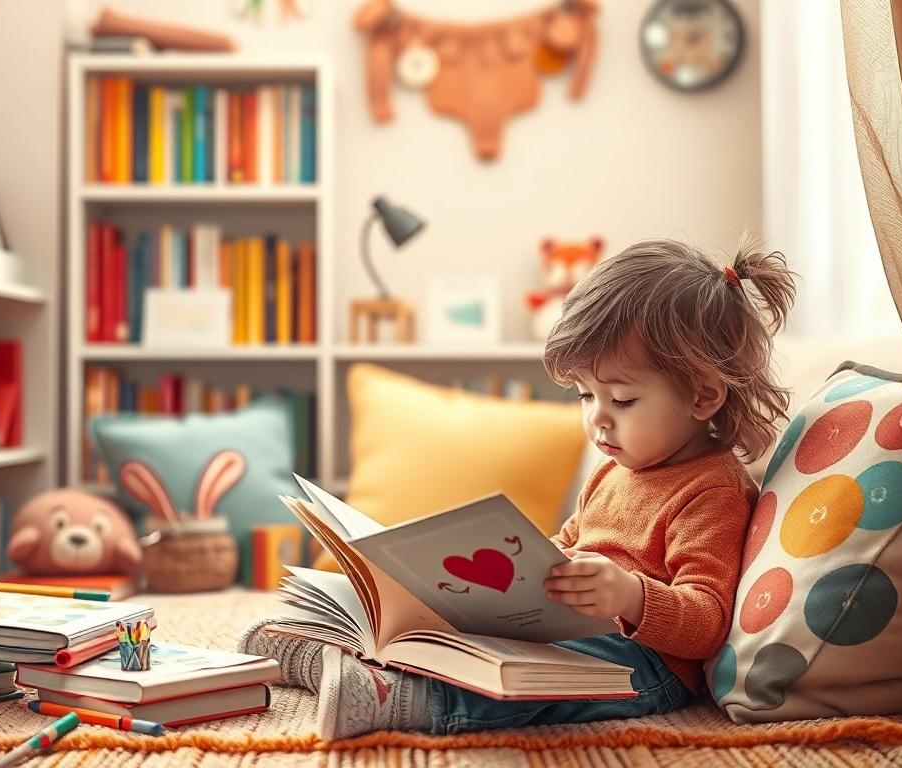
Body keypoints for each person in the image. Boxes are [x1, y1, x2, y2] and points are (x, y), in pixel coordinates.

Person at [240, 236, 797, 739]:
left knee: (527, 679)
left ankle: (408, 699)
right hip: (571, 632)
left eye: (622, 400)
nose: (597, 419)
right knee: (468, 639)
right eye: (585, 396)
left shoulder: (712, 491)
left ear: (703, 396)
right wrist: (528, 573)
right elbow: (569, 541)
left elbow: (707, 622)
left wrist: (630, 595)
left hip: (643, 663)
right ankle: (341, 651)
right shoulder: (615, 469)